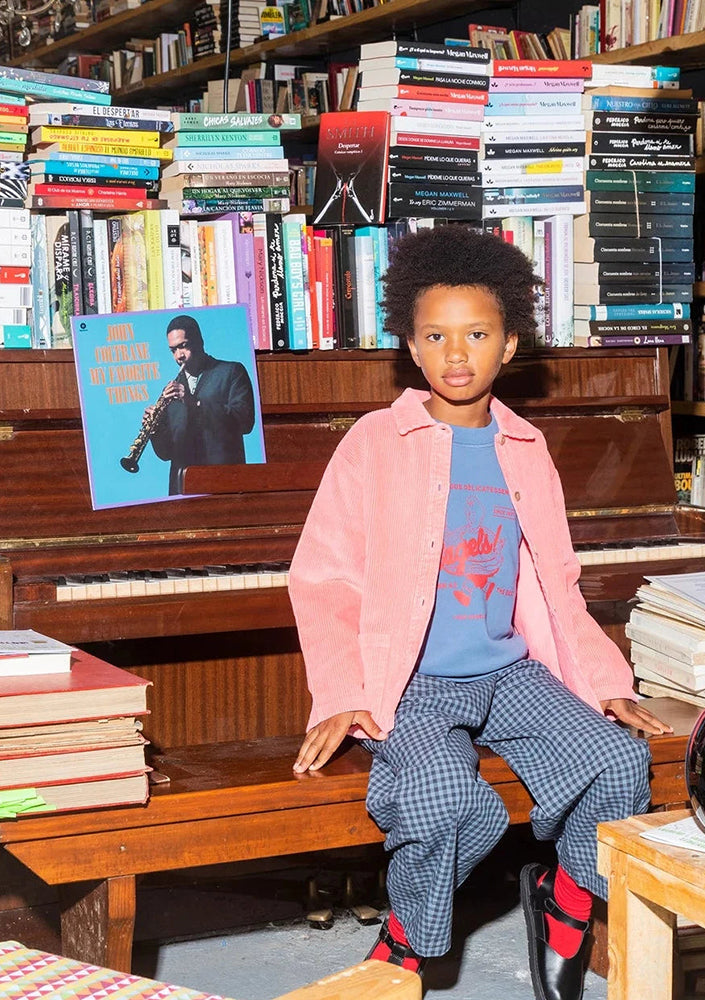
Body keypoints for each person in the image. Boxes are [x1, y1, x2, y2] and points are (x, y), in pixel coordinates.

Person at [287, 225, 669, 1000]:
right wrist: (343, 692)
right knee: (447, 800)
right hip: (416, 683)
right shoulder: (373, 442)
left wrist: (602, 680)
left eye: (477, 334)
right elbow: (321, 577)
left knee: (619, 761)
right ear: (411, 346)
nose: (456, 353)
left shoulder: (526, 446)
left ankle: (563, 900)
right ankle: (405, 941)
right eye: (436, 335)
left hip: (509, 671)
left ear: (509, 345)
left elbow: (557, 580)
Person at [149, 313, 257, 495]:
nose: (178, 356)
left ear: (199, 341)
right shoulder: (170, 392)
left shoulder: (231, 372)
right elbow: (166, 453)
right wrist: (155, 428)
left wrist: (195, 403)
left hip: (224, 484)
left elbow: (245, 422)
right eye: (173, 350)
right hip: (183, 489)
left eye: (183, 346)